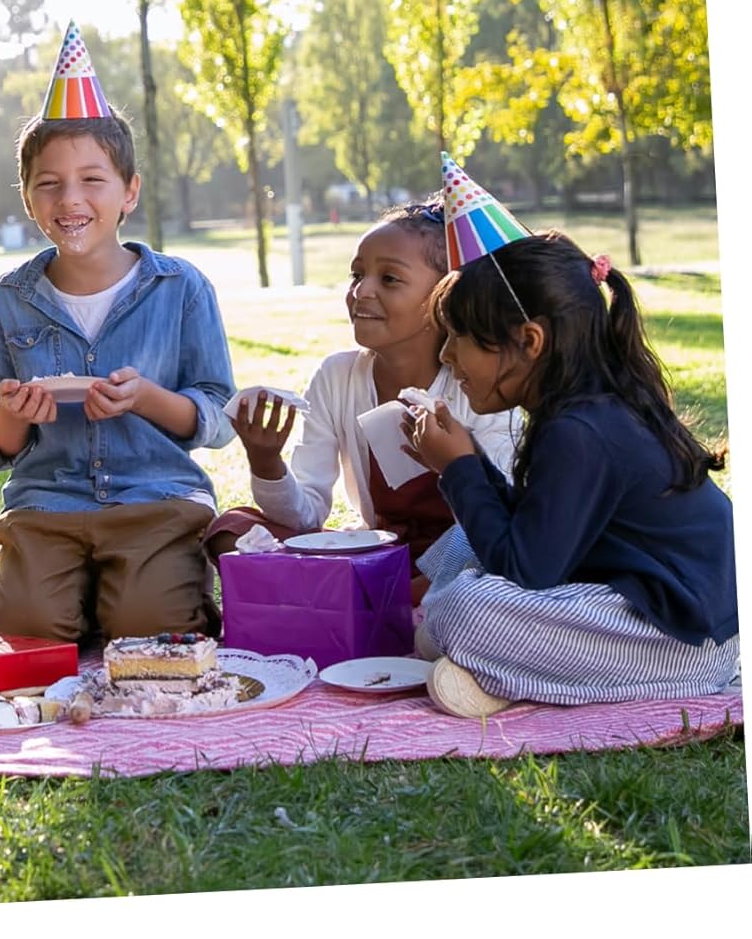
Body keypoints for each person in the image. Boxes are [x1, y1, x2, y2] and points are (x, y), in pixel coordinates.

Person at [404, 184, 738, 716]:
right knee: (462, 540)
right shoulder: (581, 410)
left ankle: (496, 665)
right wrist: (467, 461)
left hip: (681, 642)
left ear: (529, 341)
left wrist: (459, 468)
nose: (446, 356)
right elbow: (536, 534)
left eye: (458, 337)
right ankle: (501, 665)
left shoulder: (580, 430)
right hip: (633, 603)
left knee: (467, 610)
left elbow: (526, 570)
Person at [0, 23, 235, 641]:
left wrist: (146, 398)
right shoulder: (6, 303)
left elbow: (216, 415)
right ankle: (74, 595)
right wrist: (15, 415)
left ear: (129, 191)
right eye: (49, 183)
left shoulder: (181, 288)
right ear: (28, 199)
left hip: (156, 502)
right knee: (27, 631)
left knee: (151, 630)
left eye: (92, 179)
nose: (70, 199)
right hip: (47, 505)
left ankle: (125, 592)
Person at [203, 200, 519, 599]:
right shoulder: (337, 377)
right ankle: (371, 598)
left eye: (389, 279)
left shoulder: (477, 386)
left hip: (460, 558)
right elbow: (306, 517)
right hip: (377, 553)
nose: (361, 291)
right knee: (231, 529)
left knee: (480, 572)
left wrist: (452, 464)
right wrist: (266, 464)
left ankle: (360, 599)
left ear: (446, 295)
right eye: (357, 274)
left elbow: (499, 520)